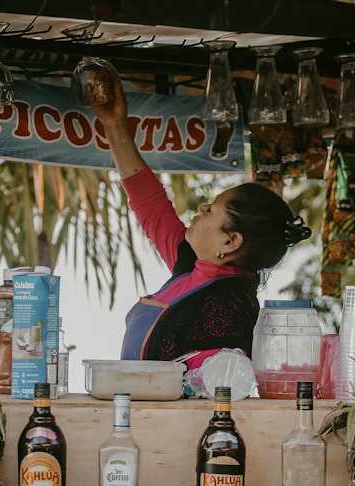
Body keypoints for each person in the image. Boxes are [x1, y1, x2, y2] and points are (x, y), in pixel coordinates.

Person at [89, 75, 312, 371]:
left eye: (212, 210)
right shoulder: (191, 266)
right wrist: (114, 125)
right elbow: (150, 204)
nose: (202, 207)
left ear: (230, 242)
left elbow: (217, 387)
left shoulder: (229, 308)